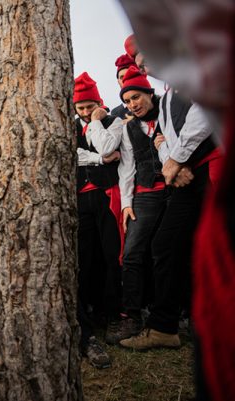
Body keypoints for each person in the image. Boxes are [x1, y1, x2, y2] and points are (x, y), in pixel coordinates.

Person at [120, 50, 219, 351]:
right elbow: (161, 140)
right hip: (184, 180)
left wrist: (175, 158)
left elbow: (205, 114)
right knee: (165, 245)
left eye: (146, 57)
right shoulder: (168, 98)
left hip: (215, 168)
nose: (144, 66)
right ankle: (164, 327)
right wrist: (173, 165)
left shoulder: (197, 70)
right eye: (138, 65)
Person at [73, 72, 123, 368]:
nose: (84, 112)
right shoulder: (69, 127)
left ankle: (113, 313)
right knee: (84, 256)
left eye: (90, 106)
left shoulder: (112, 123)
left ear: (99, 103)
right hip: (80, 199)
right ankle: (89, 312)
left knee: (111, 254)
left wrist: (95, 124)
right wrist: (98, 159)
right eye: (80, 107)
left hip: (107, 196)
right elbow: (72, 154)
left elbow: (108, 146)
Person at [116, 66, 167, 341]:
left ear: (149, 93)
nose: (132, 105)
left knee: (168, 253)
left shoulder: (169, 114)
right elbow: (127, 166)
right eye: (127, 101)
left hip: (175, 191)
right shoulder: (129, 128)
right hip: (145, 193)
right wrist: (127, 203)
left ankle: (173, 315)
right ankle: (131, 315)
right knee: (133, 253)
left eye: (136, 97)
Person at [111, 54, 137, 119]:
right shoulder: (114, 113)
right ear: (118, 81)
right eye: (122, 77)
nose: (126, 79)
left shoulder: (159, 103)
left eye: (129, 75)